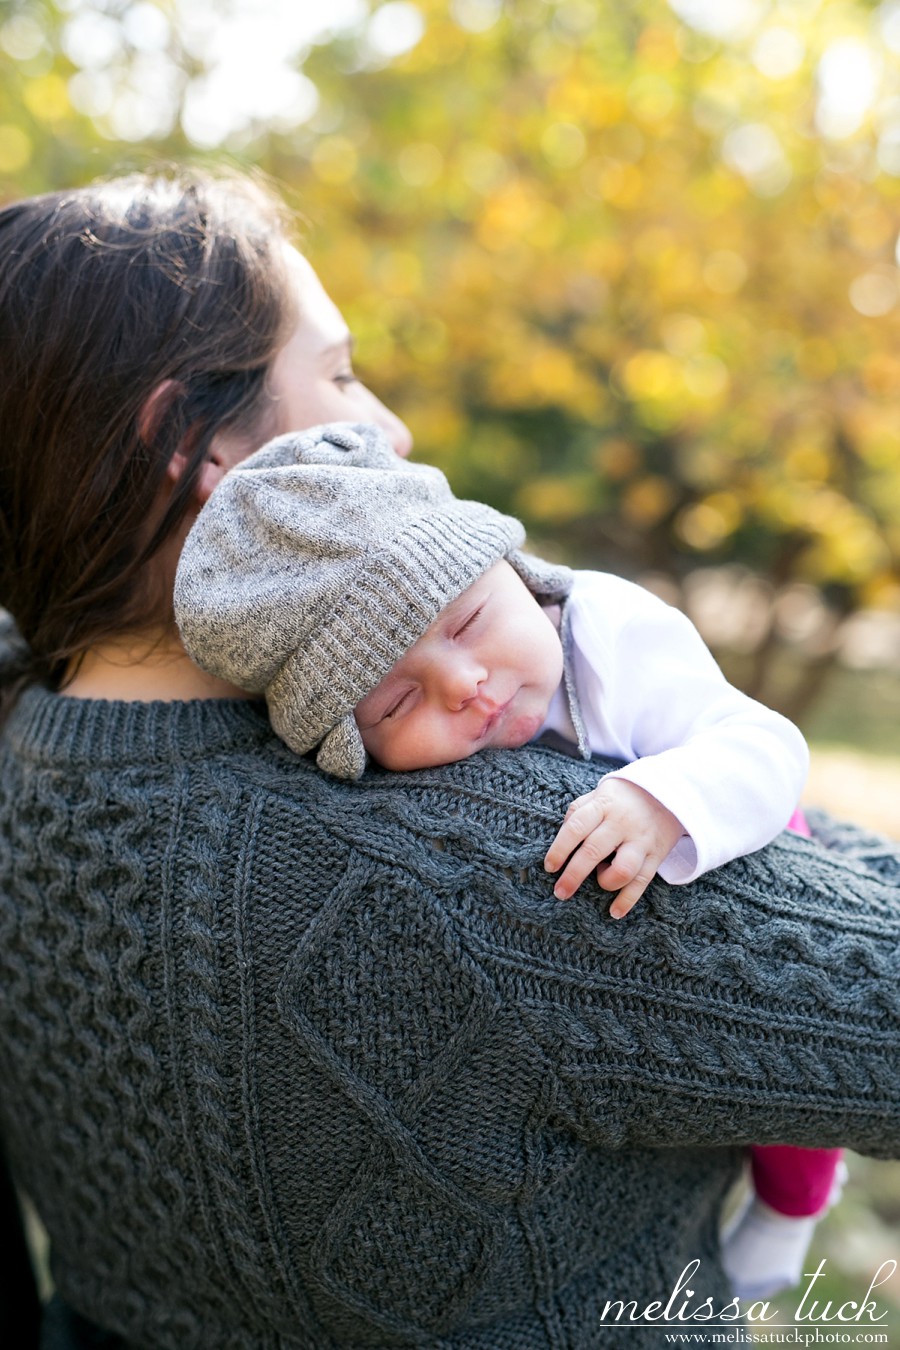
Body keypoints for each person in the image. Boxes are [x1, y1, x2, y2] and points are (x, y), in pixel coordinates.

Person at [0, 168, 899, 1350]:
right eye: (338, 375)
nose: (393, 428)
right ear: (190, 446)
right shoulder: (501, 871)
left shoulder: (28, 761)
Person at [173, 421, 843, 1302]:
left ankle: (791, 1209)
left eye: (470, 621)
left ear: (512, 570)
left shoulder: (611, 633)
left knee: (788, 1069)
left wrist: (663, 796)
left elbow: (763, 742)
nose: (467, 685)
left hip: (736, 837)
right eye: (400, 699)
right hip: (612, 964)